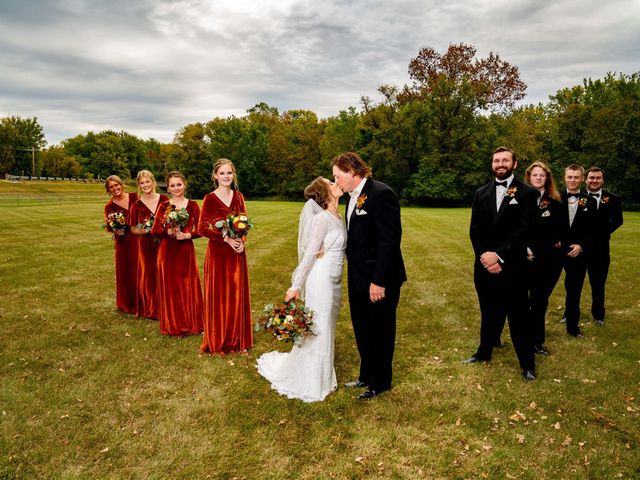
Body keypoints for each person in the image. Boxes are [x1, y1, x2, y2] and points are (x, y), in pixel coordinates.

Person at [256, 177, 346, 402]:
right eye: (330, 182)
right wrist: (295, 286)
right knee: (320, 326)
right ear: (324, 194)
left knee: (328, 323)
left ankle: (324, 373)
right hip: (322, 278)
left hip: (335, 279)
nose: (336, 182)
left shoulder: (338, 215)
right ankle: (314, 381)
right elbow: (309, 255)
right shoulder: (321, 219)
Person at [332, 152, 406, 399]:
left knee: (381, 330)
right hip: (358, 277)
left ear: (352, 172)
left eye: (337, 176)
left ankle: (381, 382)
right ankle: (366, 375)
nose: (336, 181)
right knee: (362, 327)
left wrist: (379, 281)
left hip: (379, 278)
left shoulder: (381, 193)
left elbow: (389, 241)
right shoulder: (351, 198)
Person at [465, 146, 538, 382]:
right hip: (485, 267)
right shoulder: (481, 193)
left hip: (514, 267)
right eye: (496, 160)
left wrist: (498, 255)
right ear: (492, 164)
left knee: (518, 317)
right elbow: (475, 230)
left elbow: (523, 230)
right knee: (488, 312)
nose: (500, 164)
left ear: (515, 164)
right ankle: (483, 352)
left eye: (505, 160)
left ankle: (527, 365)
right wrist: (485, 258)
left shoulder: (527, 193)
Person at [198, 159, 253, 354]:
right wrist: (226, 239)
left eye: (229, 173)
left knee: (236, 293)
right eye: (222, 173)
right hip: (218, 253)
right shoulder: (210, 198)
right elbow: (202, 227)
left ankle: (238, 339)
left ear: (233, 174)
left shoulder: (238, 197)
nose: (226, 176)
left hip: (236, 252)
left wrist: (241, 241)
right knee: (220, 296)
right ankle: (220, 338)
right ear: (215, 176)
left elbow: (244, 221)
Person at [151, 171, 204, 336]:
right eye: (172, 185)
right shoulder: (164, 206)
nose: (176, 188)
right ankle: (173, 324)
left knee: (188, 286)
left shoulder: (193, 205)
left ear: (184, 185)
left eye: (179, 184)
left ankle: (192, 322)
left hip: (185, 251)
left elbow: (202, 229)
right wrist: (168, 231)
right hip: (167, 252)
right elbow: (155, 231)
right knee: (171, 288)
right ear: (168, 188)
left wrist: (188, 235)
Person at [524, 161, 564, 356]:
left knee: (540, 300)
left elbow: (559, 231)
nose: (538, 178)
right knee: (523, 300)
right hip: (525, 258)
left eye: (542, 175)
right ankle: (521, 337)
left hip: (548, 260)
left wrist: (554, 240)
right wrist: (525, 247)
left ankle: (536, 341)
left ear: (547, 178)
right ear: (529, 177)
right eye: (535, 175)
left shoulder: (555, 202)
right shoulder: (520, 199)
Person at [560, 165, 596, 337]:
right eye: (570, 177)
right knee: (542, 290)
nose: (572, 180)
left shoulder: (590, 201)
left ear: (582, 179)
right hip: (555, 250)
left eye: (576, 177)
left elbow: (593, 230)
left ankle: (573, 327)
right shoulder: (554, 197)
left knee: (574, 290)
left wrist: (581, 245)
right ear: (565, 178)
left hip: (577, 252)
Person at [584, 167, 623, 326]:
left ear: (603, 180)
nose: (594, 181)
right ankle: (569, 313)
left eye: (597, 178)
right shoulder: (576, 196)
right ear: (586, 179)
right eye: (591, 178)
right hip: (579, 248)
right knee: (573, 283)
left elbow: (618, 220)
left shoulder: (613, 199)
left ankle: (598, 314)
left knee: (598, 283)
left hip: (600, 248)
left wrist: (601, 233)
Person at [129, 170, 168, 320]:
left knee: (165, 274)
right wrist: (147, 229)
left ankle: (166, 307)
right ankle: (152, 309)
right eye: (142, 183)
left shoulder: (164, 200)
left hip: (164, 243)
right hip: (146, 245)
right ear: (139, 185)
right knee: (149, 276)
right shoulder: (136, 205)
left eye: (147, 181)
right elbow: (132, 229)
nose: (145, 185)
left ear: (153, 181)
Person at [103, 175, 139, 315]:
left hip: (138, 239)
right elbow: (108, 225)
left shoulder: (135, 197)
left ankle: (145, 301)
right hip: (123, 243)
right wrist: (115, 229)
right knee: (125, 272)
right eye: (111, 187)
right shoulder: (109, 206)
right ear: (108, 190)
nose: (115, 188)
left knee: (140, 270)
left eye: (116, 185)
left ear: (121, 184)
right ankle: (127, 303)